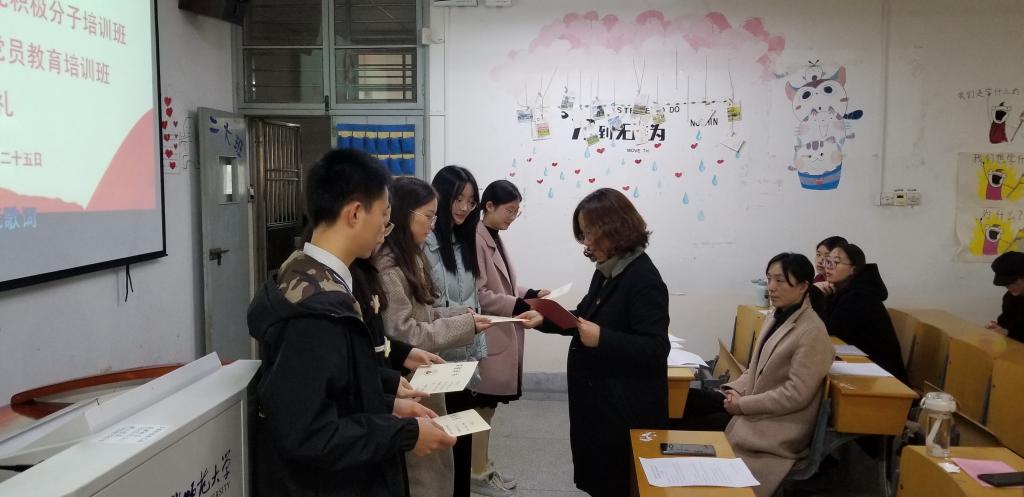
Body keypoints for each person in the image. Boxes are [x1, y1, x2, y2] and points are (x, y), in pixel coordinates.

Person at [247, 149, 455, 497]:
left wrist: (386, 402)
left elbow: (335, 388)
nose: (385, 229)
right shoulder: (315, 311)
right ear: (356, 213)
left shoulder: (310, 274)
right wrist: (404, 434)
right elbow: (309, 433)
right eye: (383, 216)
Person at [518, 188, 670, 497]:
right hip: (600, 405)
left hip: (624, 409)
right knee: (599, 479)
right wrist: (543, 319)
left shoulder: (644, 279)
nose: (586, 242)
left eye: (590, 233)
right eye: (583, 233)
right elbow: (583, 318)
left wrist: (603, 338)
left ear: (615, 228)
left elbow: (656, 349)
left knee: (616, 483)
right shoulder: (608, 270)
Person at [374, 176, 492, 497]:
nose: (432, 225)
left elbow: (424, 314)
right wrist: (465, 326)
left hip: (424, 381)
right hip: (408, 387)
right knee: (422, 477)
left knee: (438, 469)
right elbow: (405, 333)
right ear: (402, 213)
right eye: (428, 216)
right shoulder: (389, 267)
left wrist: (462, 317)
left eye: (434, 217)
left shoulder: (411, 256)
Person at [686, 253, 834, 497]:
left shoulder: (812, 332)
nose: (771, 287)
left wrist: (743, 404)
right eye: (769, 279)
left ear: (803, 287)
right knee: (687, 401)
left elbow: (795, 395)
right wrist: (731, 391)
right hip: (754, 406)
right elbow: (754, 368)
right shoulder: (777, 316)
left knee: (691, 422)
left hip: (776, 425)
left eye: (780, 281)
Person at [424, 165, 504, 497]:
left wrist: (477, 352)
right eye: (458, 199)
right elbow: (424, 310)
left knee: (461, 445)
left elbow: (474, 301)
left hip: (465, 358)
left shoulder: (467, 239)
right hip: (436, 361)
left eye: (471, 201)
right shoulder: (424, 243)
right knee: (440, 454)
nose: (464, 207)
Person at [473, 179, 550, 494]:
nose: (513, 217)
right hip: (488, 334)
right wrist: (518, 304)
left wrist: (531, 293)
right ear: (489, 206)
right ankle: (477, 472)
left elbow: (504, 285)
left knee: (488, 408)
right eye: (509, 210)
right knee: (481, 406)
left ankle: (483, 465)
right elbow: (480, 294)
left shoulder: (493, 236)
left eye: (517, 211)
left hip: (500, 332)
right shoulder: (476, 239)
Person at [816, 242, 908, 381]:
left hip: (881, 373)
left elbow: (830, 330)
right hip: (860, 362)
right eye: (828, 261)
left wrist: (817, 296)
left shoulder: (860, 296)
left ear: (853, 269)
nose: (828, 267)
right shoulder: (841, 290)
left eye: (836, 262)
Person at [987, 250, 1024, 342]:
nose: (1008, 287)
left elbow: (1010, 332)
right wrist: (996, 327)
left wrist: (1008, 333)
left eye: (1012, 283)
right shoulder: (1009, 297)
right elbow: (1005, 321)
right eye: (1005, 284)